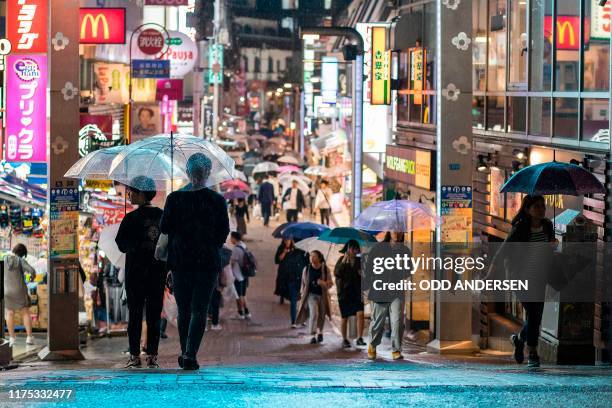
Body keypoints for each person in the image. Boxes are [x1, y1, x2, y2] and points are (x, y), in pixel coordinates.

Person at [160, 153, 230, 370]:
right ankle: (190, 354)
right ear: (208, 173)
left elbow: (164, 228)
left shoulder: (174, 199)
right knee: (200, 309)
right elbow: (223, 232)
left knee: (184, 310)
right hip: (207, 262)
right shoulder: (217, 201)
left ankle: (185, 352)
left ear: (188, 173)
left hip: (181, 262)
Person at [488, 195, 554, 368]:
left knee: (535, 315)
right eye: (537, 206)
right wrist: (489, 274)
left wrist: (553, 245)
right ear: (527, 209)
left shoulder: (547, 225)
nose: (541, 209)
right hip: (521, 278)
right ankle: (532, 352)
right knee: (533, 313)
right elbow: (502, 251)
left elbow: (550, 247)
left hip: (540, 278)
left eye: (542, 206)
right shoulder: (520, 228)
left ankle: (518, 339)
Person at [115, 176, 167, 369]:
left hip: (135, 274)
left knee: (135, 315)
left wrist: (133, 242)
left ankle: (135, 356)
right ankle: (153, 356)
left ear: (142, 194)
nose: (129, 195)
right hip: (157, 273)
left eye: (132, 192)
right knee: (154, 315)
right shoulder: (163, 216)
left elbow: (121, 245)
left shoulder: (131, 218)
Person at [365, 232, 411, 361]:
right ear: (389, 232)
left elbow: (408, 271)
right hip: (380, 289)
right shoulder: (378, 248)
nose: (396, 232)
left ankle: (396, 349)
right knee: (377, 322)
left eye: (399, 229)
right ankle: (372, 345)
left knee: (397, 321)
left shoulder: (405, 250)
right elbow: (369, 269)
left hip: (396, 290)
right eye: (394, 229)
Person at [296, 250, 333, 344]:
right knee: (314, 313)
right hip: (311, 295)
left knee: (322, 314)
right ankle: (312, 335)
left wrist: (323, 283)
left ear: (319, 258)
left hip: (322, 295)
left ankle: (320, 332)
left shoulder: (325, 269)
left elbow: (330, 283)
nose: (311, 258)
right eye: (310, 256)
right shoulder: (307, 268)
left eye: (314, 256)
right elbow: (303, 283)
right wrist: (302, 293)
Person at [334, 240, 366, 348]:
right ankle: (344, 339)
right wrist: (344, 260)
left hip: (357, 292)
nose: (354, 251)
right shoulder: (341, 260)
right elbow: (337, 273)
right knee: (345, 317)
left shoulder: (360, 261)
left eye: (356, 249)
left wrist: (363, 274)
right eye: (352, 248)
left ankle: (360, 338)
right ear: (347, 249)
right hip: (344, 293)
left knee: (360, 314)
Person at [3, 244, 36, 347]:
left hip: (7, 290)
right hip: (20, 290)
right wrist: (31, 278)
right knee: (25, 312)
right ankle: (29, 337)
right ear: (22, 254)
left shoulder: (4, 259)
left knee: (9, 313)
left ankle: (12, 338)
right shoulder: (20, 260)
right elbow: (32, 271)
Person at [274, 237, 307, 327]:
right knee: (294, 301)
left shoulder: (303, 253)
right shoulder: (287, 252)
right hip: (292, 280)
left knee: (301, 301)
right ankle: (294, 321)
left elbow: (307, 265)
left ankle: (301, 320)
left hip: (301, 281)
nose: (287, 242)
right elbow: (278, 261)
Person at [230, 232, 251, 319]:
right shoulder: (243, 245)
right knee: (243, 295)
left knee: (239, 295)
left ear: (235, 238)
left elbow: (232, 262)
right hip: (245, 274)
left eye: (231, 238)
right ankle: (247, 312)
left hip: (238, 276)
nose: (230, 240)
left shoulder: (236, 249)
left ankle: (240, 313)